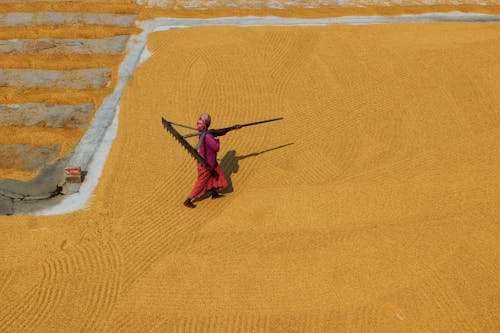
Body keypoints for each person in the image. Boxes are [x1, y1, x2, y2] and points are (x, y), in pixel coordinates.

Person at [183, 114, 240, 208]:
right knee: (201, 182)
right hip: (206, 164)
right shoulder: (208, 136)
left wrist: (232, 128)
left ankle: (214, 193)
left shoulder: (204, 134)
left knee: (216, 175)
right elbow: (216, 147)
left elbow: (219, 131)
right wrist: (215, 139)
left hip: (210, 162)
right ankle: (188, 200)